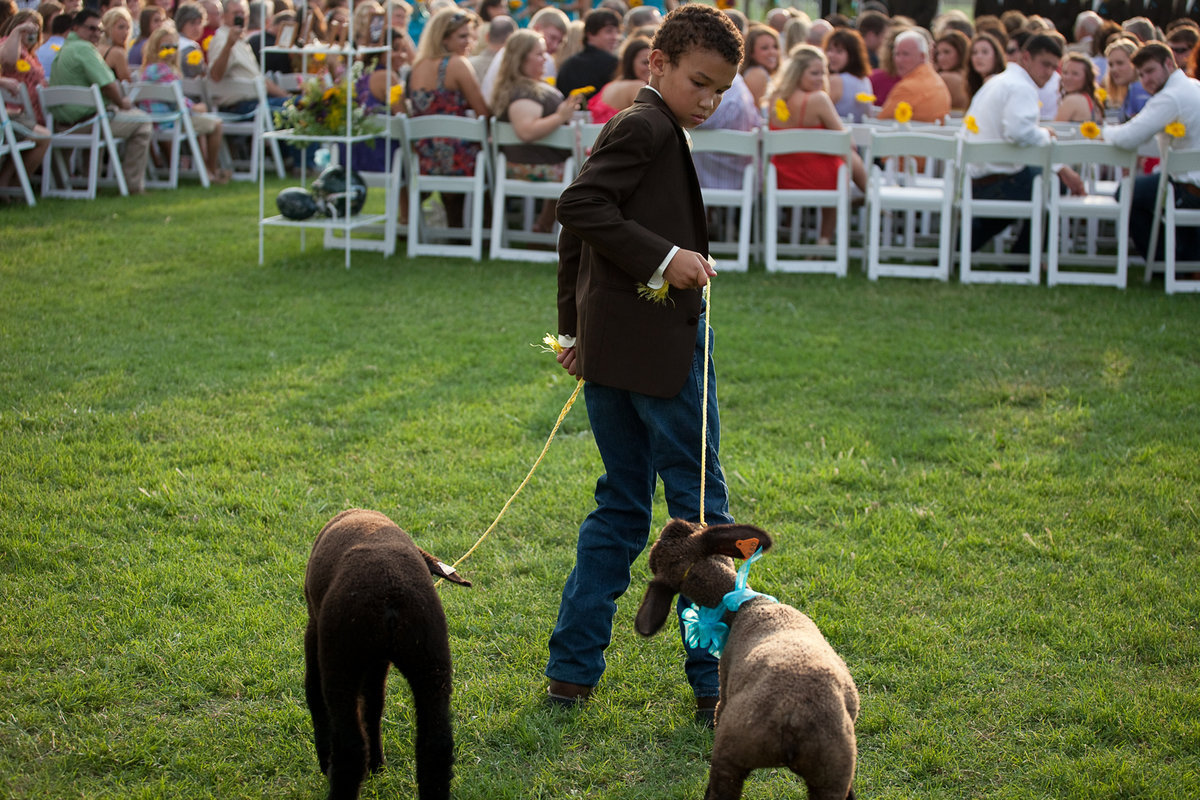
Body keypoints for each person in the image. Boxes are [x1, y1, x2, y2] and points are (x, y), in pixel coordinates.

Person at [547, 2, 742, 726]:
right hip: (662, 361)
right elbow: (581, 207)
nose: (709, 100)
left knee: (623, 510)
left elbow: (582, 237)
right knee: (700, 519)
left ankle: (571, 672)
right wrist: (668, 256)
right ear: (656, 63)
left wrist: (575, 330)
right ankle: (714, 680)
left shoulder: (636, 123)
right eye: (699, 82)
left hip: (614, 356)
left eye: (721, 89)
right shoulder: (648, 122)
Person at [962, 32, 1085, 254]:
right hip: (995, 183)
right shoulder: (1021, 87)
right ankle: (1026, 256)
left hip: (976, 179)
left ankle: (965, 244)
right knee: (1054, 182)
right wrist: (1056, 153)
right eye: (1044, 64)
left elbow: (1020, 133)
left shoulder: (998, 81)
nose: (1048, 73)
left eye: (1053, 67)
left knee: (1040, 179)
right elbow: (1019, 133)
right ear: (1026, 58)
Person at [1103, 40, 1200, 261]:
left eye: (1150, 71)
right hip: (1190, 181)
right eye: (1142, 75)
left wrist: (1105, 132)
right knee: (1150, 187)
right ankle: (1186, 259)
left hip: (1189, 188)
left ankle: (1165, 261)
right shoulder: (1193, 86)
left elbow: (1128, 138)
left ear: (1168, 63)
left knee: (1126, 192)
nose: (1146, 80)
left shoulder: (1170, 96)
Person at [767, 44, 866, 245]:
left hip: (783, 176)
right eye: (814, 73)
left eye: (824, 73)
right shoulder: (819, 99)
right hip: (823, 179)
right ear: (797, 73)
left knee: (837, 161)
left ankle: (867, 193)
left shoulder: (775, 99)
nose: (821, 78)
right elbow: (847, 141)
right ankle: (825, 237)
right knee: (844, 157)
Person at [49, 8, 152, 193]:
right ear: (75, 28)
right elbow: (109, 85)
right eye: (91, 28)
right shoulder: (85, 49)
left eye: (99, 30)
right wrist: (122, 104)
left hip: (61, 124)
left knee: (104, 117)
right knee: (143, 122)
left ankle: (89, 181)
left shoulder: (64, 49)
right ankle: (134, 185)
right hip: (85, 123)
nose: (96, 33)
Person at [407, 6, 489, 228]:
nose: (469, 42)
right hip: (456, 157)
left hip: (424, 155)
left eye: (471, 36)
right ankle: (483, 227)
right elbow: (483, 111)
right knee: (495, 156)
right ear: (443, 38)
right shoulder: (457, 64)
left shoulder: (418, 66)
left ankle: (453, 225)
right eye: (462, 36)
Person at [491, 29, 579, 232]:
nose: (545, 58)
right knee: (592, 174)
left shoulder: (526, 87)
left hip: (541, 161)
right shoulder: (524, 93)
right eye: (539, 54)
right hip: (533, 165)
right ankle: (546, 227)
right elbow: (526, 131)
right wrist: (560, 117)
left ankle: (545, 225)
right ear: (520, 59)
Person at [138, 25, 229, 183]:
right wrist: (196, 107)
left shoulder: (146, 70)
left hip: (154, 121)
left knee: (201, 123)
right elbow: (179, 102)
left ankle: (206, 170)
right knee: (216, 124)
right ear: (155, 47)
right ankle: (211, 170)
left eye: (174, 47)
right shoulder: (165, 70)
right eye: (166, 47)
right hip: (170, 121)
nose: (171, 51)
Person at [877, 29, 951, 123]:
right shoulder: (937, 80)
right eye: (896, 54)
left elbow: (881, 122)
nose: (899, 60)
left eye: (905, 54)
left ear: (922, 56)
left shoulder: (907, 88)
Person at [554, 7, 619, 98]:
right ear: (590, 33)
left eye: (617, 32)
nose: (615, 37)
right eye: (609, 31)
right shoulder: (612, 63)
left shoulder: (568, 64)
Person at [587, 34, 649, 124]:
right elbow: (650, 120)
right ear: (630, 63)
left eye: (655, 62)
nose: (651, 67)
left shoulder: (611, 85)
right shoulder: (638, 86)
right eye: (645, 62)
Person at [825, 26, 873, 122]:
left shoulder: (836, 80)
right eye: (829, 50)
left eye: (839, 51)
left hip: (839, 134)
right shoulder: (865, 80)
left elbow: (820, 111)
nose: (831, 55)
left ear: (852, 56)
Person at [1101, 36, 1148, 120]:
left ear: (1135, 63)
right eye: (1111, 65)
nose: (1114, 69)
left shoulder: (1138, 89)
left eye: (1120, 63)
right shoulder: (1131, 89)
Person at [1055, 51, 1104, 123]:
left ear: (1087, 77)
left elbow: (1056, 129)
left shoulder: (1072, 100)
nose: (1068, 78)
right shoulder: (1092, 100)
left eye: (1075, 74)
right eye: (1065, 72)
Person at [739, 22, 778, 107]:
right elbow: (756, 112)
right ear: (751, 52)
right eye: (765, 48)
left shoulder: (759, 71)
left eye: (775, 47)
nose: (772, 52)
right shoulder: (757, 74)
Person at [934, 28, 970, 110]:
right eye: (938, 53)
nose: (941, 58)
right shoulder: (968, 75)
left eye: (947, 52)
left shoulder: (945, 77)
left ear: (960, 52)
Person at [965, 30, 1005, 102]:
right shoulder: (972, 83)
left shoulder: (1000, 84)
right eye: (974, 52)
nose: (979, 56)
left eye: (985, 52)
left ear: (996, 56)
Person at [99, 6, 132, 82]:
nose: (126, 32)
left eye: (128, 28)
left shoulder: (95, 48)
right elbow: (128, 85)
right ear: (108, 28)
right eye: (121, 27)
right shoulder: (117, 53)